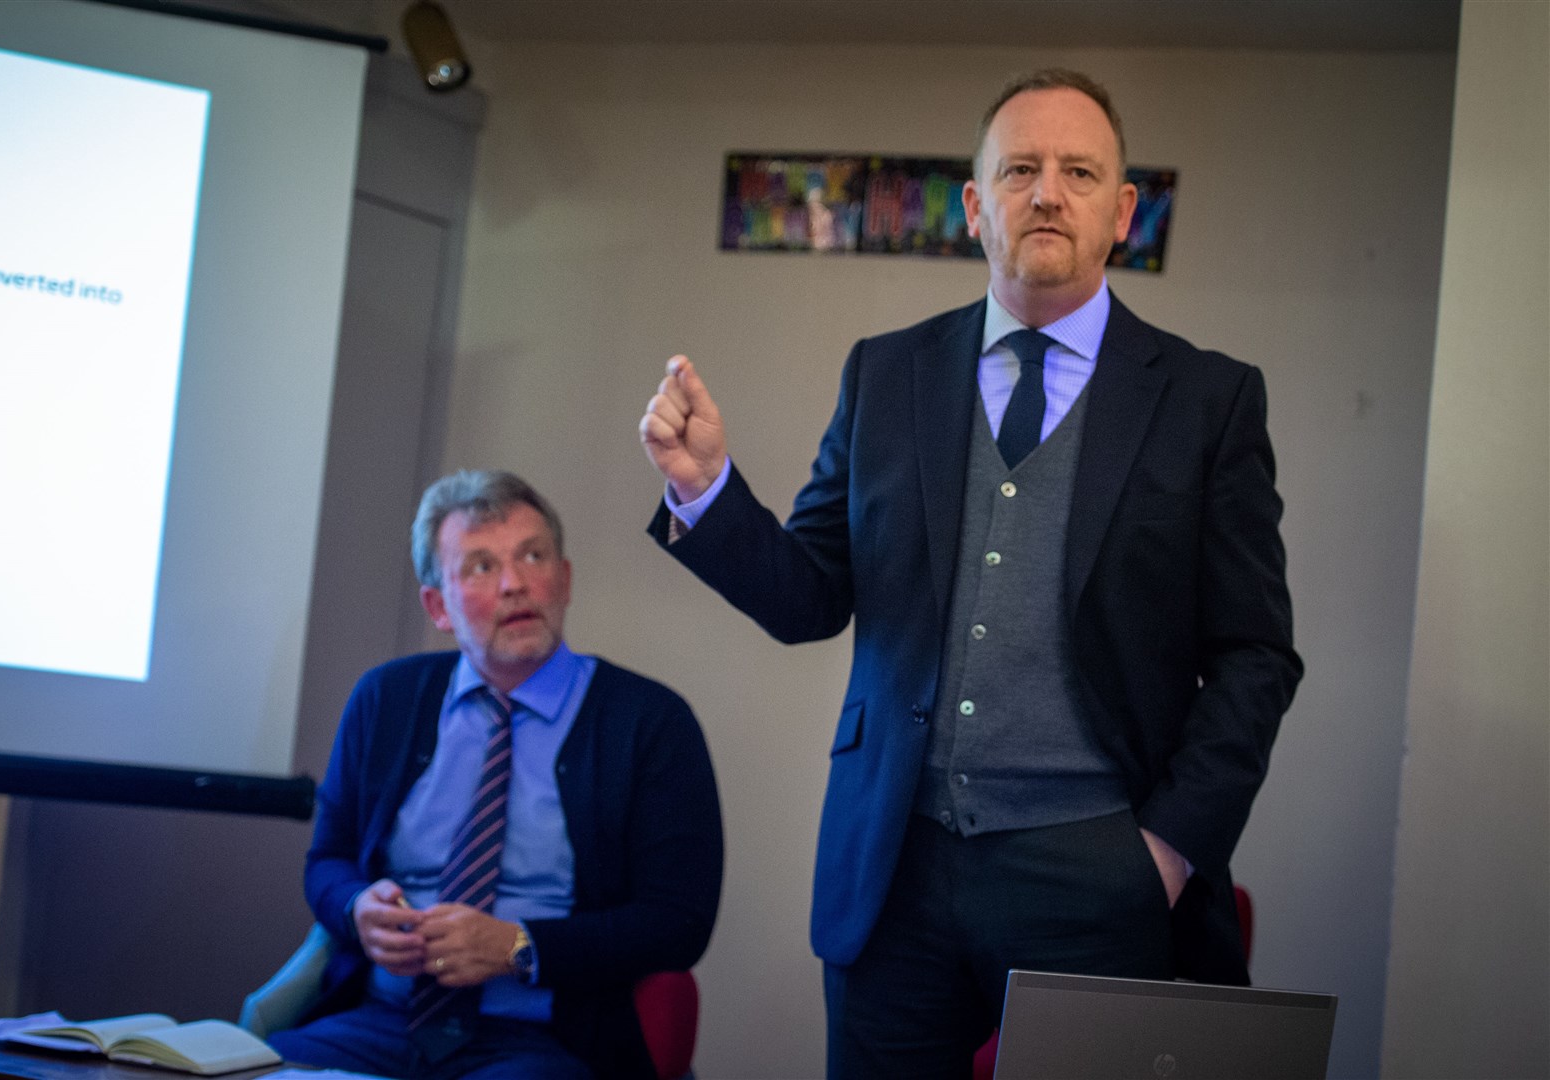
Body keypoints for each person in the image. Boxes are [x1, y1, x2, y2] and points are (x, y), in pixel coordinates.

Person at [639, 68, 1301, 1078]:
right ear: (975, 205)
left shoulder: (1209, 400)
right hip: (893, 865)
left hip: (1100, 866)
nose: (1049, 192)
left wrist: (1165, 852)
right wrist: (707, 491)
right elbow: (810, 596)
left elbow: (1255, 655)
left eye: (1079, 171)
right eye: (1021, 168)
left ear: (1122, 211)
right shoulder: (885, 372)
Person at [271, 470, 723, 1080]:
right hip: (378, 1023)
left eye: (533, 557)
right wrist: (357, 908)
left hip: (544, 1041)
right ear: (438, 606)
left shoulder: (650, 722)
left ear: (563, 581)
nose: (515, 584)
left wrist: (518, 947)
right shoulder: (387, 699)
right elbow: (327, 860)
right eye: (481, 567)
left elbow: (679, 924)